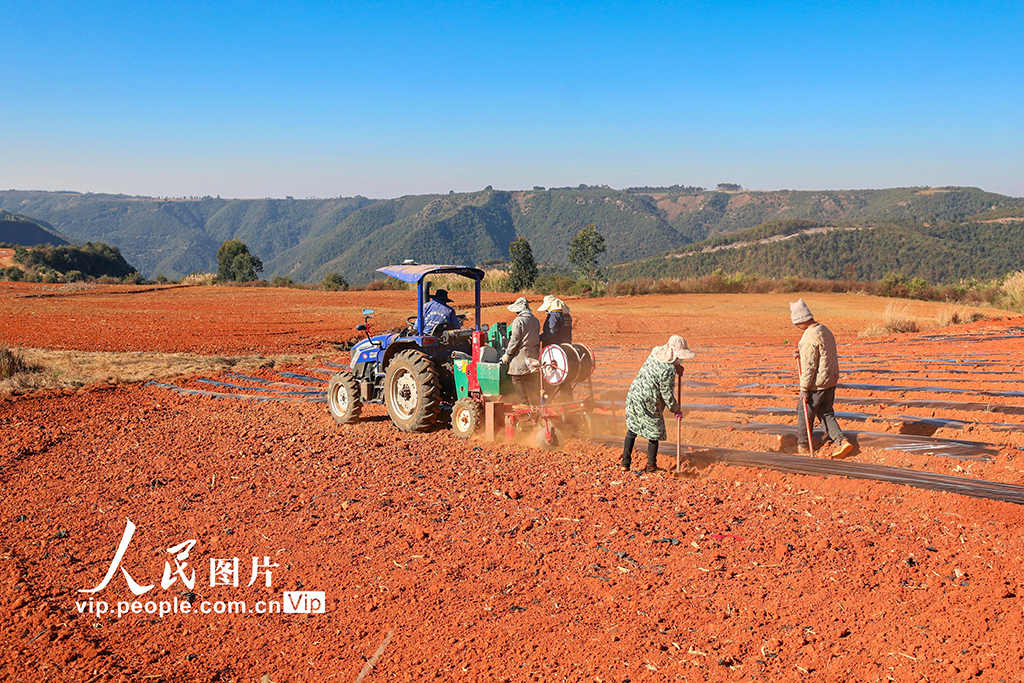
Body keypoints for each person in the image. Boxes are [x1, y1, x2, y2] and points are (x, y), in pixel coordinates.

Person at [790, 299, 854, 458]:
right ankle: (842, 441)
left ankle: (803, 447)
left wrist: (804, 390)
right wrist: (800, 352)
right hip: (830, 381)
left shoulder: (807, 338)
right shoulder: (824, 330)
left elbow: (809, 366)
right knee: (826, 413)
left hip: (816, 385)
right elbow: (822, 352)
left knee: (804, 414)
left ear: (800, 321)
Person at [621, 335, 694, 473]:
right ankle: (651, 466)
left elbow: (666, 363)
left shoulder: (655, 353)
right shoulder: (668, 370)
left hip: (634, 394)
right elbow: (666, 394)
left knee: (632, 429)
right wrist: (676, 409)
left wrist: (677, 366)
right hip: (649, 400)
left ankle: (625, 463)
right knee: (654, 432)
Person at [500, 297, 541, 405]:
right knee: (530, 380)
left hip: (522, 354)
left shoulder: (519, 321)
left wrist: (507, 354)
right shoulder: (535, 320)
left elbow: (515, 339)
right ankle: (535, 403)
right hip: (534, 354)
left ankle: (524, 403)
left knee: (516, 377)